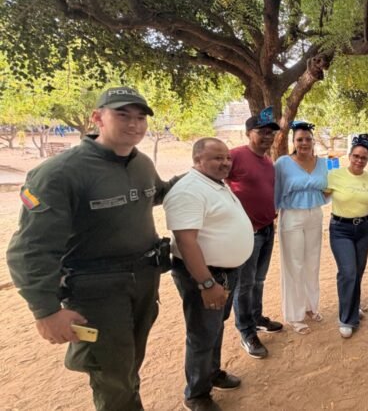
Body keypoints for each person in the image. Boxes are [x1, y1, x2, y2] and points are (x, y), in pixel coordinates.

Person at [6, 87, 178, 410]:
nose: (134, 124)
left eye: (141, 117)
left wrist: (203, 175)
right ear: (97, 117)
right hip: (98, 295)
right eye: (122, 115)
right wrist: (45, 311)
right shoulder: (59, 174)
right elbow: (29, 250)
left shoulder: (141, 163)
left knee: (127, 366)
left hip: (143, 283)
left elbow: (157, 193)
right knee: (112, 376)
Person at [164, 138, 254, 411]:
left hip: (225, 273)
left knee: (215, 326)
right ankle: (197, 394)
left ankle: (211, 374)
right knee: (202, 333)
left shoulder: (214, 184)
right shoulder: (189, 190)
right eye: (217, 158)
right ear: (197, 160)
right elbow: (186, 241)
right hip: (205, 276)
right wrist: (206, 283)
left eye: (227, 157)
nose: (225, 162)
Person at [227, 107, 283, 359]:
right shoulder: (235, 156)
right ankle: (246, 331)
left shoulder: (268, 161)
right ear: (249, 133)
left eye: (271, 132)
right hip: (245, 233)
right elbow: (215, 182)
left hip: (266, 229)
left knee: (258, 280)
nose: (267, 136)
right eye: (262, 131)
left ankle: (257, 317)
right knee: (244, 284)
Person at [274, 121, 328, 335]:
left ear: (313, 141)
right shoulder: (282, 163)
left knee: (312, 263)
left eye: (307, 139)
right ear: (293, 142)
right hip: (292, 216)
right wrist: (273, 214)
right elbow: (276, 191)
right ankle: (295, 316)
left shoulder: (325, 163)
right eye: (299, 139)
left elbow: (333, 185)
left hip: (315, 214)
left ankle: (311, 307)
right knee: (293, 265)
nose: (304, 143)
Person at [326, 134, 368, 338]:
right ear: (349, 156)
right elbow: (319, 194)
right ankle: (346, 319)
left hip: (364, 229)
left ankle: (353, 307)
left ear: (367, 160)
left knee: (358, 271)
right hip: (341, 229)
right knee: (347, 272)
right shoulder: (334, 175)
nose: (359, 160)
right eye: (356, 156)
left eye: (363, 158)